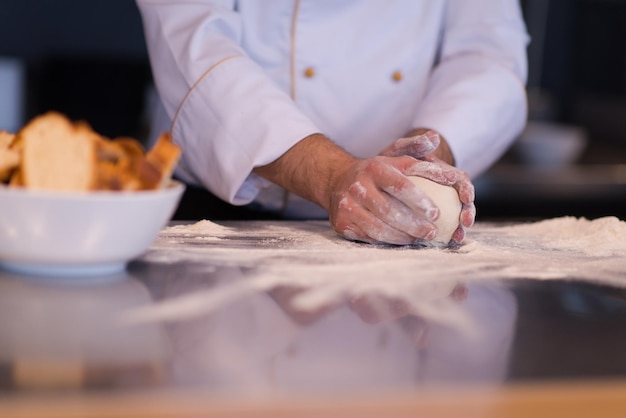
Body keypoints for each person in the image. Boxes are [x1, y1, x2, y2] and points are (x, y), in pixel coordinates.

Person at [136, 1, 529, 245]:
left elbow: (489, 56)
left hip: (402, 226)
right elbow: (194, 49)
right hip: (219, 219)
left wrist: (425, 159)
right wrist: (334, 175)